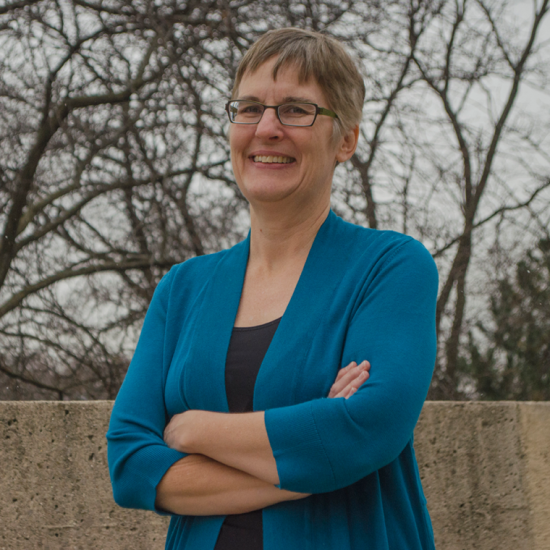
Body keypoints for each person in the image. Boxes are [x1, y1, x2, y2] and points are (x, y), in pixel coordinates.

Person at [107, 28, 438, 550]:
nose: (266, 128)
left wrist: (192, 431)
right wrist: (308, 466)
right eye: (249, 108)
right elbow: (129, 463)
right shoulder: (183, 289)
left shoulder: (390, 267)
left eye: (296, 110)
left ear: (345, 140)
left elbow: (367, 427)